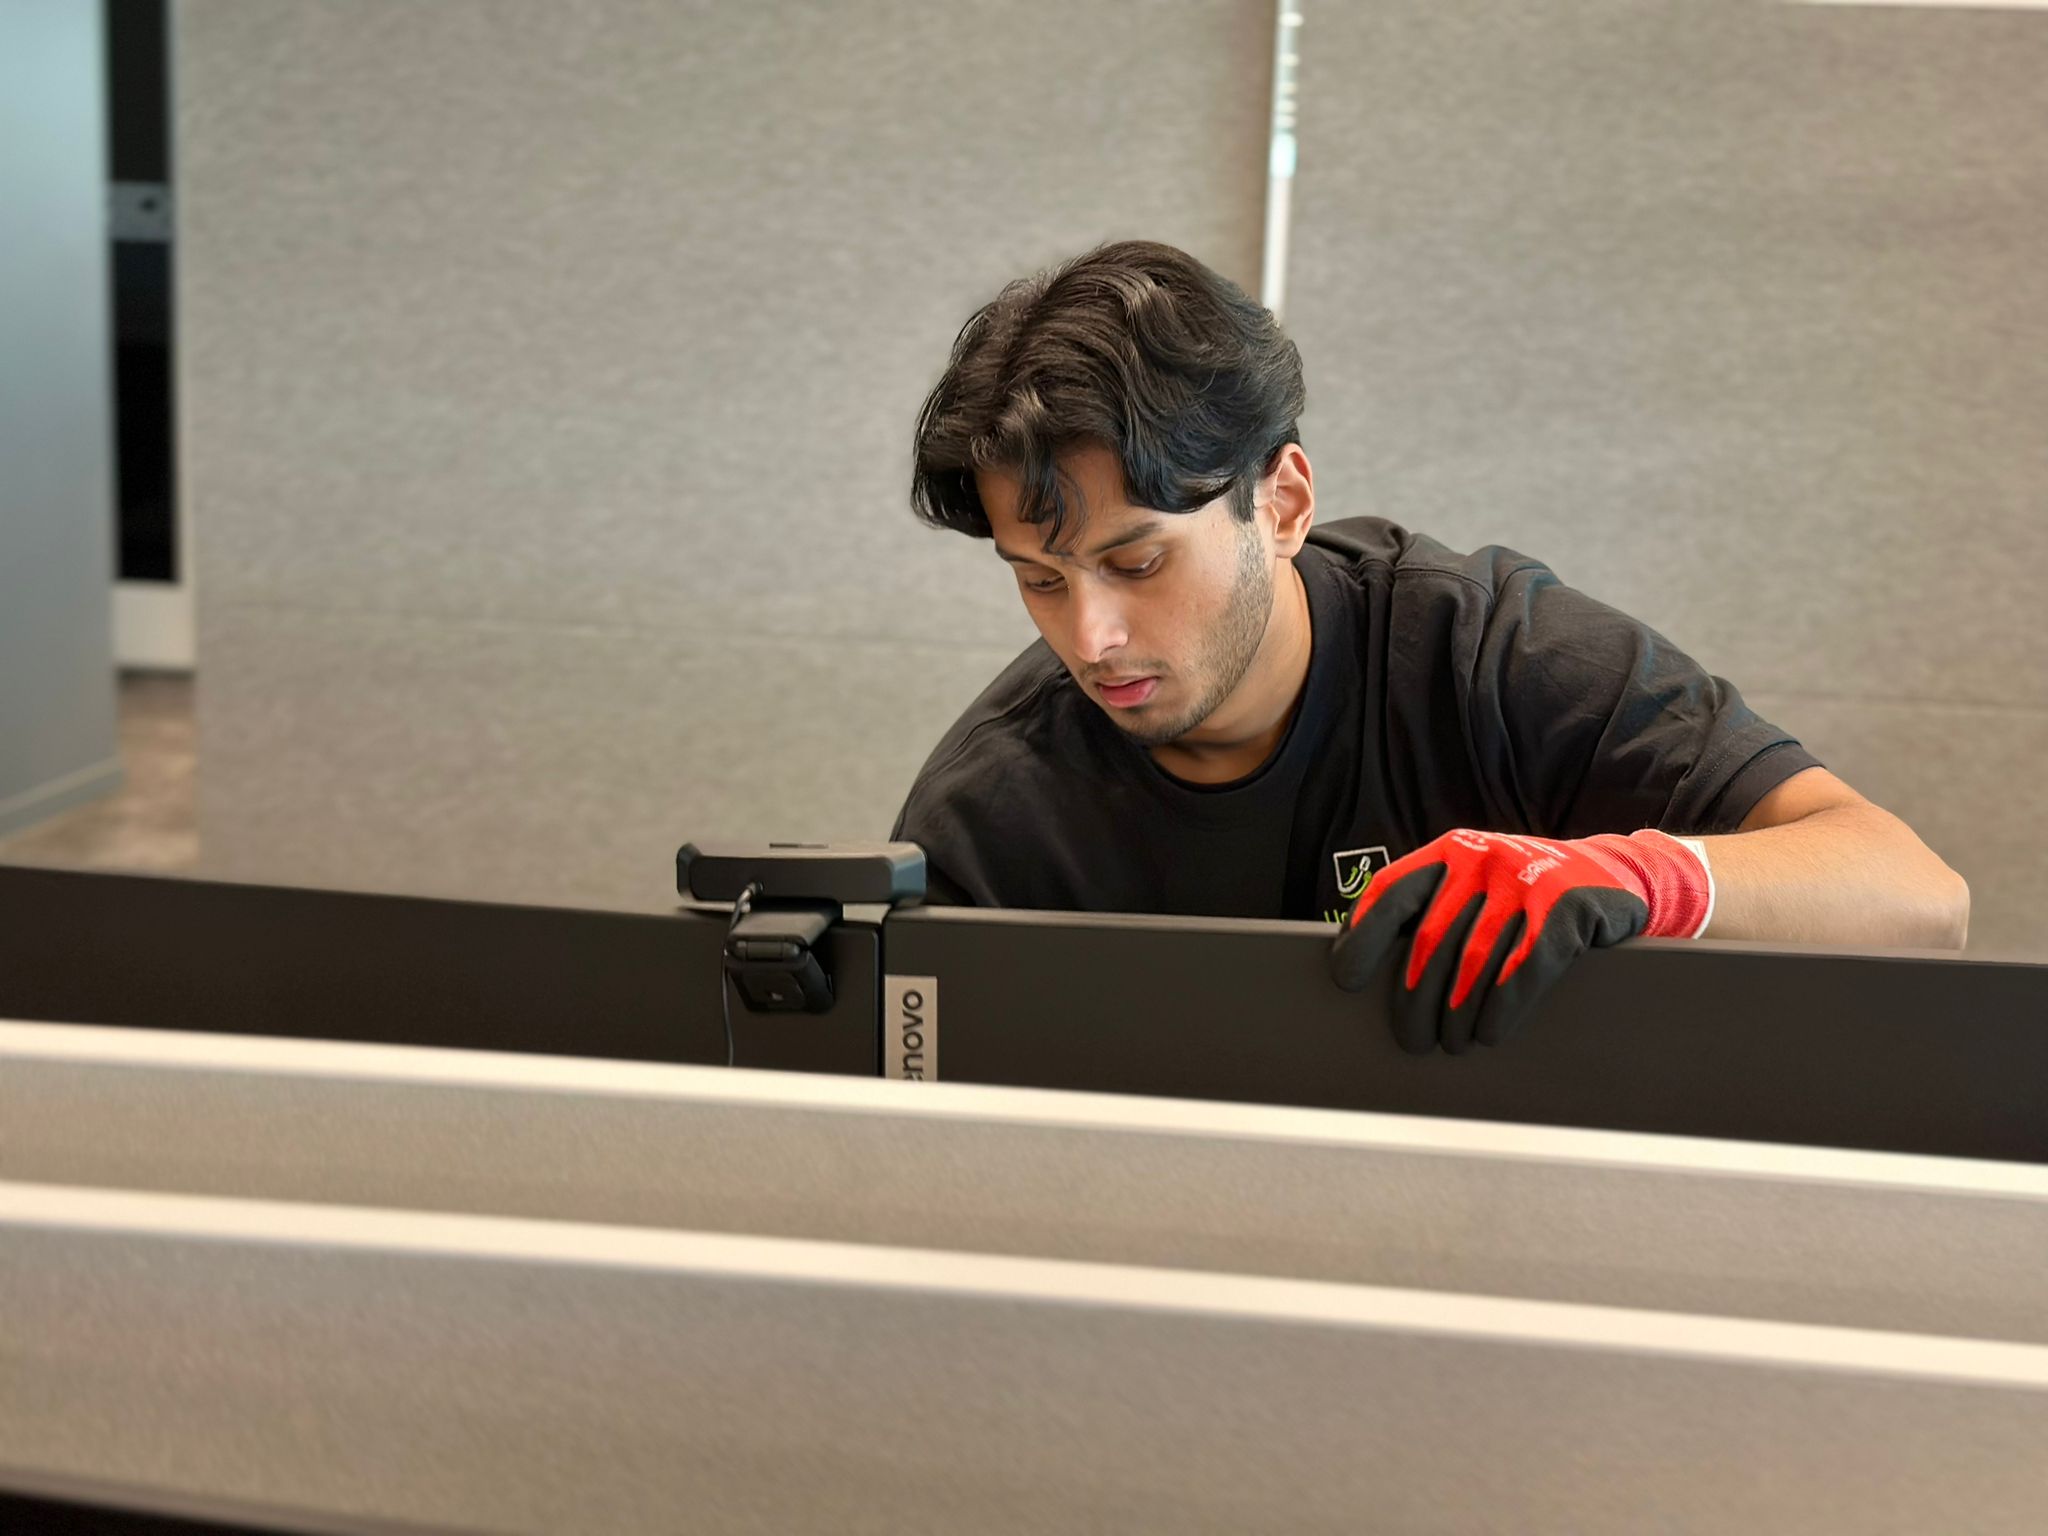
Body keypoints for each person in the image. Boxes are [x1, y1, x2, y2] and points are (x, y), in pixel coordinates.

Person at [891, 240, 1969, 1052]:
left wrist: (1633, 875)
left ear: (1281, 503)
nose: (1092, 638)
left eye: (1135, 562)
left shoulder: (1485, 653)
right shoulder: (993, 816)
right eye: (1040, 580)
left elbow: (1918, 898)